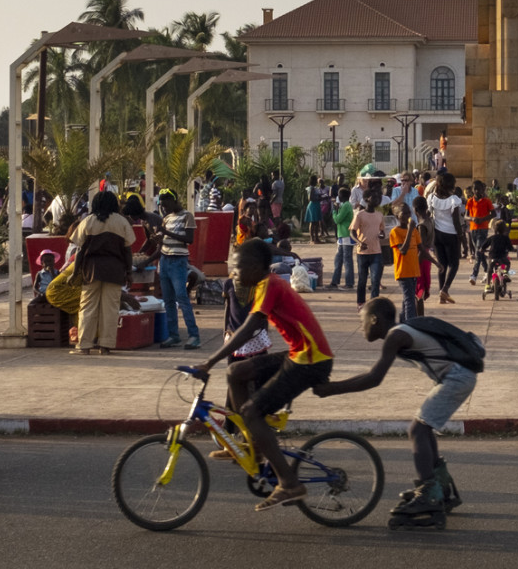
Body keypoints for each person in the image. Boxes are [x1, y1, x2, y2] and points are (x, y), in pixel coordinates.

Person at [191, 239, 334, 512]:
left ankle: (289, 482)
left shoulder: (269, 285)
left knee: (252, 411)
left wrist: (210, 361)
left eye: (238, 268)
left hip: (311, 359)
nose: (233, 273)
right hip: (300, 353)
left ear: (256, 267)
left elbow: (252, 326)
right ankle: (252, 447)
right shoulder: (262, 285)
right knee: (235, 372)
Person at [312, 296, 478, 530]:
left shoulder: (396, 336)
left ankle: (428, 496)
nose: (361, 328)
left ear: (375, 319)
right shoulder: (401, 331)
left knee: (417, 430)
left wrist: (331, 389)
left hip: (457, 378)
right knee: (424, 426)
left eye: (362, 322)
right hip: (457, 376)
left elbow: (374, 378)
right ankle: (439, 488)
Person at [68, 190, 132, 355]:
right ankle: (106, 345)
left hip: (91, 269)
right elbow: (127, 251)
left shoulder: (88, 221)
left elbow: (80, 251)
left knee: (87, 308)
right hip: (115, 269)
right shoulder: (121, 222)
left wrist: (75, 273)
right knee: (110, 309)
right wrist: (129, 272)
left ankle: (85, 345)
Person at [156, 191, 199, 349]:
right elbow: (163, 240)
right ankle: (173, 335)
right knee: (168, 300)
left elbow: (189, 239)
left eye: (166, 204)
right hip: (165, 259)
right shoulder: (166, 218)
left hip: (178, 261)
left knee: (182, 297)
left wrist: (166, 233)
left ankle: (194, 335)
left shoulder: (187, 216)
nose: (164, 208)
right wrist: (159, 238)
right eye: (162, 205)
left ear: (174, 201)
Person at [427, 173, 466, 304]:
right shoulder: (454, 199)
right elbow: (456, 220)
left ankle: (441, 297)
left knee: (442, 265)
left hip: (437, 235)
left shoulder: (431, 197)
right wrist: (461, 237)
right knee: (454, 264)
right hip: (451, 235)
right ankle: (445, 289)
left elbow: (428, 214)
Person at [390, 200, 426, 318]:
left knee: (407, 299)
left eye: (408, 213)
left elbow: (421, 248)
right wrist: (410, 230)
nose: (407, 216)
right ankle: (410, 324)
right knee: (410, 301)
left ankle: (402, 321)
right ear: (397, 216)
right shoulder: (395, 232)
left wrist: (436, 262)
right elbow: (403, 250)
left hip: (413, 270)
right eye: (403, 214)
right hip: (403, 271)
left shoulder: (414, 230)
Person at [352, 191, 387, 305]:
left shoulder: (379, 215)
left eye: (378, 198)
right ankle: (361, 303)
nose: (377, 200)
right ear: (366, 199)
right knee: (362, 280)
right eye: (374, 197)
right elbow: (352, 232)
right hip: (362, 253)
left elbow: (382, 231)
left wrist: (382, 235)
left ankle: (373, 304)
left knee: (375, 280)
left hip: (376, 251)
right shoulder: (360, 215)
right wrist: (359, 242)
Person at [465, 181, 495, 284]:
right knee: (480, 252)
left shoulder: (487, 201)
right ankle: (487, 271)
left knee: (478, 251)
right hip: (473, 228)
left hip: (483, 229)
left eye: (479, 189)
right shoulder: (470, 201)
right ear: (473, 190)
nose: (477, 191)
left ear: (483, 190)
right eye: (475, 189)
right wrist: (472, 218)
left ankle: (474, 274)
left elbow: (493, 213)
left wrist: (483, 219)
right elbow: (466, 216)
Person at [329, 187, 356, 291]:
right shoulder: (345, 205)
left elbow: (338, 219)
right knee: (338, 259)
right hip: (342, 235)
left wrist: (334, 211)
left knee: (347, 260)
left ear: (342, 196)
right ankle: (335, 281)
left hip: (346, 235)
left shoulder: (346, 205)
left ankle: (349, 283)